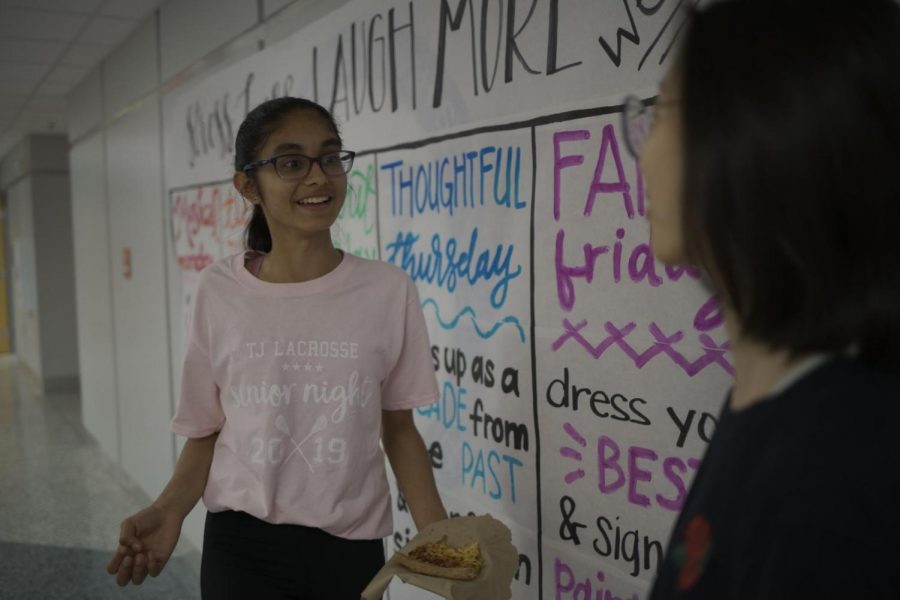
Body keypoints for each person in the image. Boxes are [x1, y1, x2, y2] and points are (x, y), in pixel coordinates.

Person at [106, 97, 447, 599]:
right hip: (242, 549)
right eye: (291, 163)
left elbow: (398, 429)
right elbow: (206, 432)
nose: (318, 177)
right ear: (248, 185)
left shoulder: (388, 290)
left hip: (349, 551)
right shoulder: (218, 291)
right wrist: (169, 508)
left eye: (330, 157)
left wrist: (442, 540)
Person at [622, 0, 900, 597]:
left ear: (765, 136)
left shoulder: (844, 477)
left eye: (665, 111)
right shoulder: (778, 404)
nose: (642, 152)